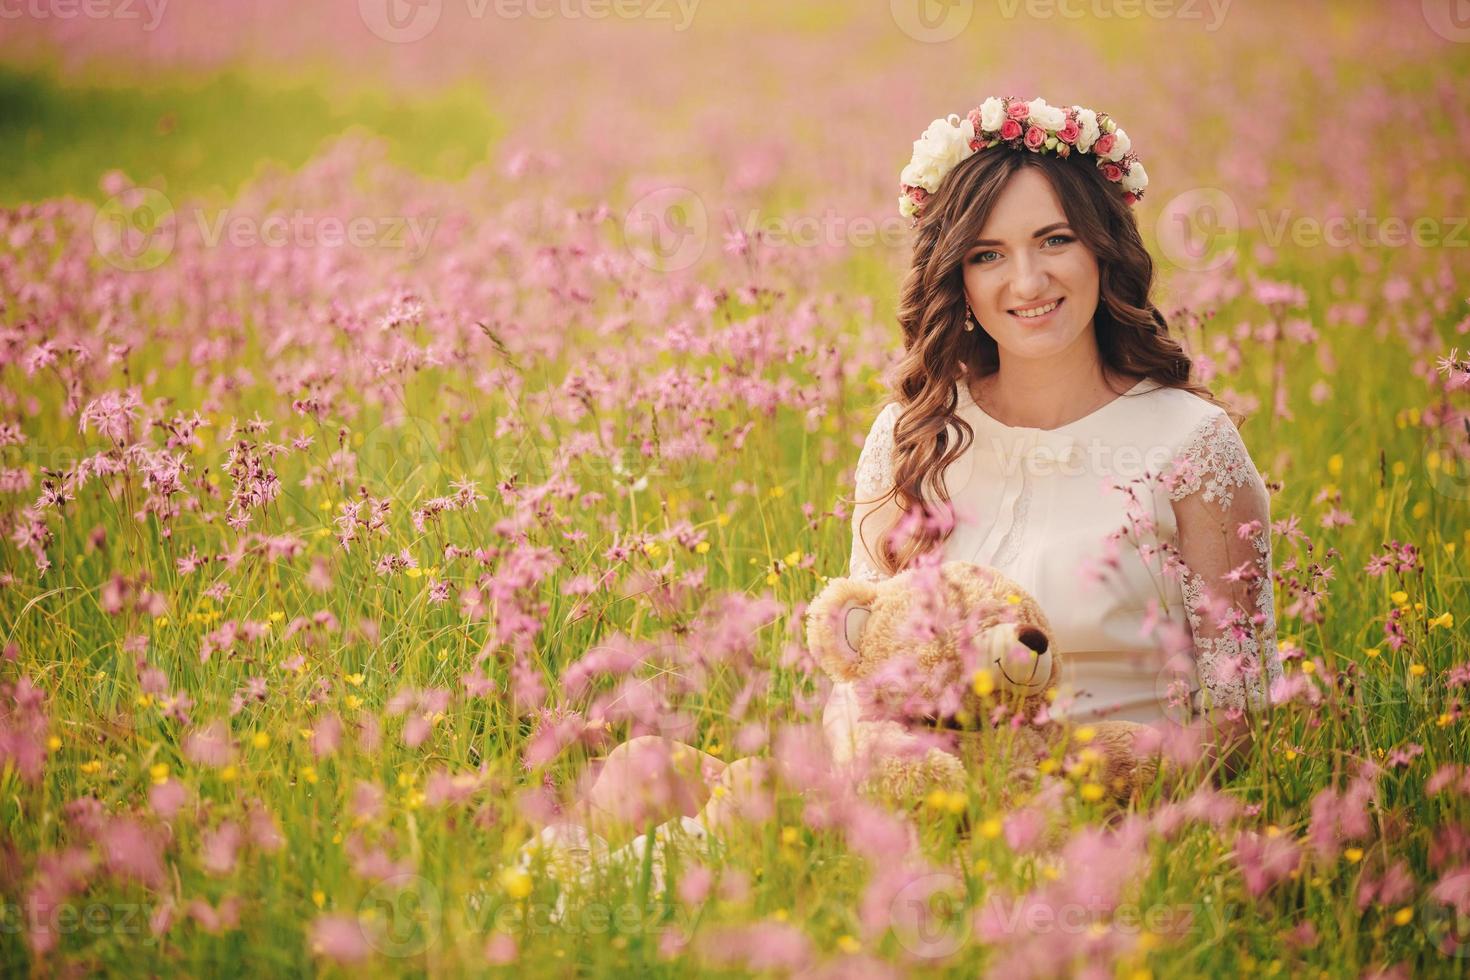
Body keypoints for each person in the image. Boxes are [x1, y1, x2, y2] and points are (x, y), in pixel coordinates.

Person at [838, 96, 1282, 780]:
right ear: (957, 274)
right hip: (923, 802)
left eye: (1055, 239)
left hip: (1113, 816)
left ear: (1104, 246)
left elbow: (1238, 722)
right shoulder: (912, 434)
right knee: (642, 772)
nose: (1028, 282)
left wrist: (1062, 780)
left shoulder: (1192, 444)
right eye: (989, 254)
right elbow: (856, 669)